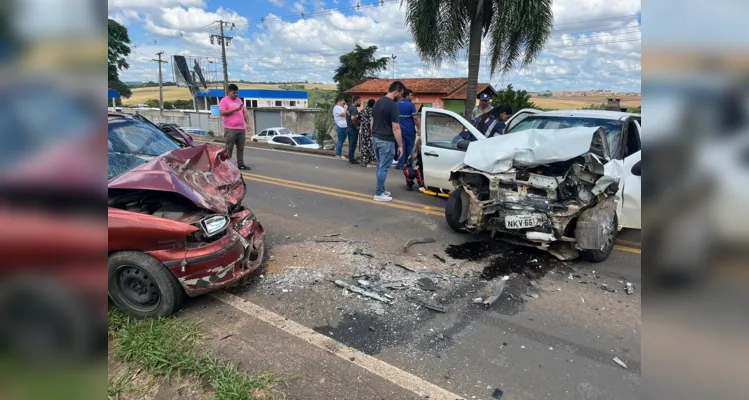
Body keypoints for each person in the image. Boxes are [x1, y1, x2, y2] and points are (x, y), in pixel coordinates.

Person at [370, 81, 405, 202]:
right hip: (386, 140)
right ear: (397, 91)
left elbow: (372, 122)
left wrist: (373, 134)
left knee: (380, 166)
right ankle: (379, 193)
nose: (401, 96)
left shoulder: (378, 102)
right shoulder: (393, 105)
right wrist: (400, 145)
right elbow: (396, 128)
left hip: (376, 138)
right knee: (383, 167)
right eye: (401, 93)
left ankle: (381, 189)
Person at [219, 83, 250, 170]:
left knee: (240, 148)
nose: (236, 95)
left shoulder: (239, 100)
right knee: (229, 148)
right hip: (230, 129)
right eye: (234, 93)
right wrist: (234, 109)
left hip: (241, 128)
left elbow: (244, 112)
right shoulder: (224, 101)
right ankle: (227, 165)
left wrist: (248, 123)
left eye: (237, 93)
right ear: (229, 92)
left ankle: (241, 164)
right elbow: (222, 113)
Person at [396, 89, 420, 170]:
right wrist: (419, 129)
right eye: (411, 95)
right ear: (407, 96)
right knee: (410, 148)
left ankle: (400, 164)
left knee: (401, 147)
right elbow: (415, 118)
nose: (412, 97)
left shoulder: (396, 104)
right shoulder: (411, 105)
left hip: (399, 131)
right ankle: (408, 164)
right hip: (409, 131)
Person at [358, 99, 377, 167]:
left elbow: (358, 117)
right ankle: (370, 161)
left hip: (363, 130)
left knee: (364, 145)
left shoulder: (363, 110)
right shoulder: (373, 111)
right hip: (370, 130)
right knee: (370, 146)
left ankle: (364, 161)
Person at [346, 96, 362, 164]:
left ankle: (350, 157)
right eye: (359, 101)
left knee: (351, 143)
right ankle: (351, 158)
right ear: (355, 101)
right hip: (353, 129)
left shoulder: (349, 107)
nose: (360, 102)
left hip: (348, 127)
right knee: (353, 144)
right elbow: (352, 118)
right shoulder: (354, 109)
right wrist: (356, 126)